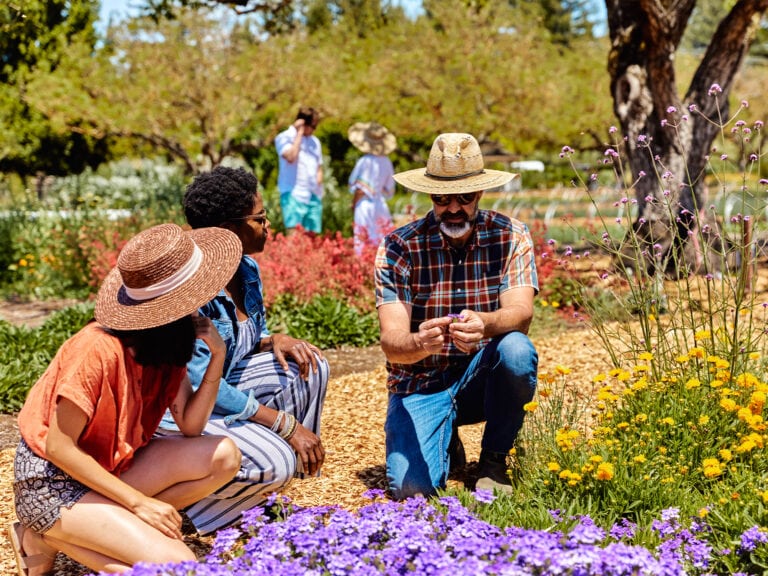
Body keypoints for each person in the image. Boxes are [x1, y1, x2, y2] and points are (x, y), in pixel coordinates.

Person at [8, 223, 243, 575]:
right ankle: (45, 534)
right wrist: (140, 504)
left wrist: (218, 357)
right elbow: (59, 447)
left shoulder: (167, 344)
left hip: (108, 469)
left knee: (224, 456)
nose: (208, 299)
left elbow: (191, 426)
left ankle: (91, 531)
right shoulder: (97, 348)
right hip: (50, 483)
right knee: (177, 567)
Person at [157, 165, 329, 536]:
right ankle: (201, 502)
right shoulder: (194, 289)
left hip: (220, 383)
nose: (269, 225)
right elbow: (202, 380)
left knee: (312, 366)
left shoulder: (246, 270)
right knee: (278, 458)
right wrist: (283, 424)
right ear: (231, 229)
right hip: (183, 410)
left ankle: (256, 495)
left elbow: (243, 341)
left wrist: (272, 339)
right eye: (260, 217)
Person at [374, 132, 539, 499]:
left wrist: (485, 323)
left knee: (515, 349)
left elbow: (521, 312)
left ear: (480, 193)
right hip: (419, 381)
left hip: (479, 375)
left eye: (464, 197)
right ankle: (444, 435)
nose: (453, 208)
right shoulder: (399, 246)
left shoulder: (510, 235)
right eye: (441, 198)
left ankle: (494, 459)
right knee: (413, 489)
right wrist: (419, 342)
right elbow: (392, 343)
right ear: (429, 195)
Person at [347, 121, 397, 254]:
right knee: (381, 240)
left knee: (362, 238)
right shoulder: (387, 161)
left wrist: (353, 204)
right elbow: (389, 188)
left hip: (364, 204)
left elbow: (360, 189)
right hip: (380, 205)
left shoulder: (365, 161)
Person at [275, 106, 324, 234]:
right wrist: (299, 133)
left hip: (313, 196)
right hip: (293, 194)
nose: (314, 130)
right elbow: (291, 157)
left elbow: (319, 167)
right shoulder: (284, 137)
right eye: (312, 126)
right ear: (303, 123)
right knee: (294, 237)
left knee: (313, 240)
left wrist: (318, 186)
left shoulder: (315, 142)